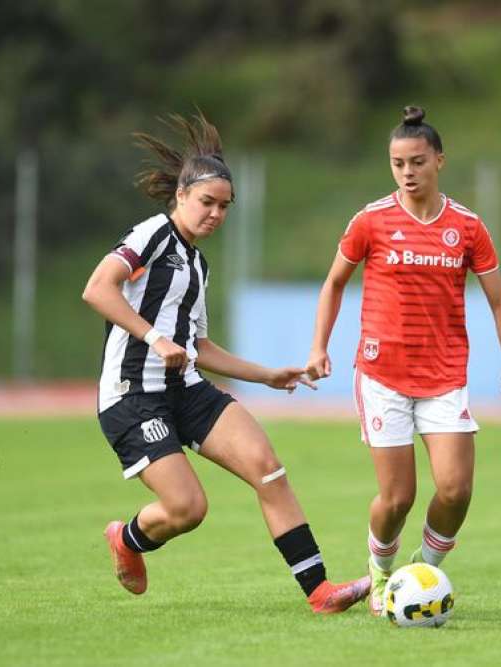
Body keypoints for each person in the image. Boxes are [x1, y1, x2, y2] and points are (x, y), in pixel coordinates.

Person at [82, 111, 370, 613]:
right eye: (206, 202)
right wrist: (152, 338)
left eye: (224, 206)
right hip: (132, 397)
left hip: (186, 389)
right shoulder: (151, 235)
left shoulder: (197, 263)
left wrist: (268, 374)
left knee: (268, 468)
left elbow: (199, 347)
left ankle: (320, 592)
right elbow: (97, 288)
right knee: (188, 509)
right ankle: (128, 539)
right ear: (181, 197)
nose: (215, 213)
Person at [305, 106, 501, 616]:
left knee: (455, 489)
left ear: (439, 161)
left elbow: (498, 298)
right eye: (397, 163)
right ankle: (381, 574)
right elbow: (335, 282)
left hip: (445, 375)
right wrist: (319, 346)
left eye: (417, 161)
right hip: (382, 375)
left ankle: (422, 571)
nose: (407, 172)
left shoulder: (467, 227)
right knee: (398, 498)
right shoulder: (371, 220)